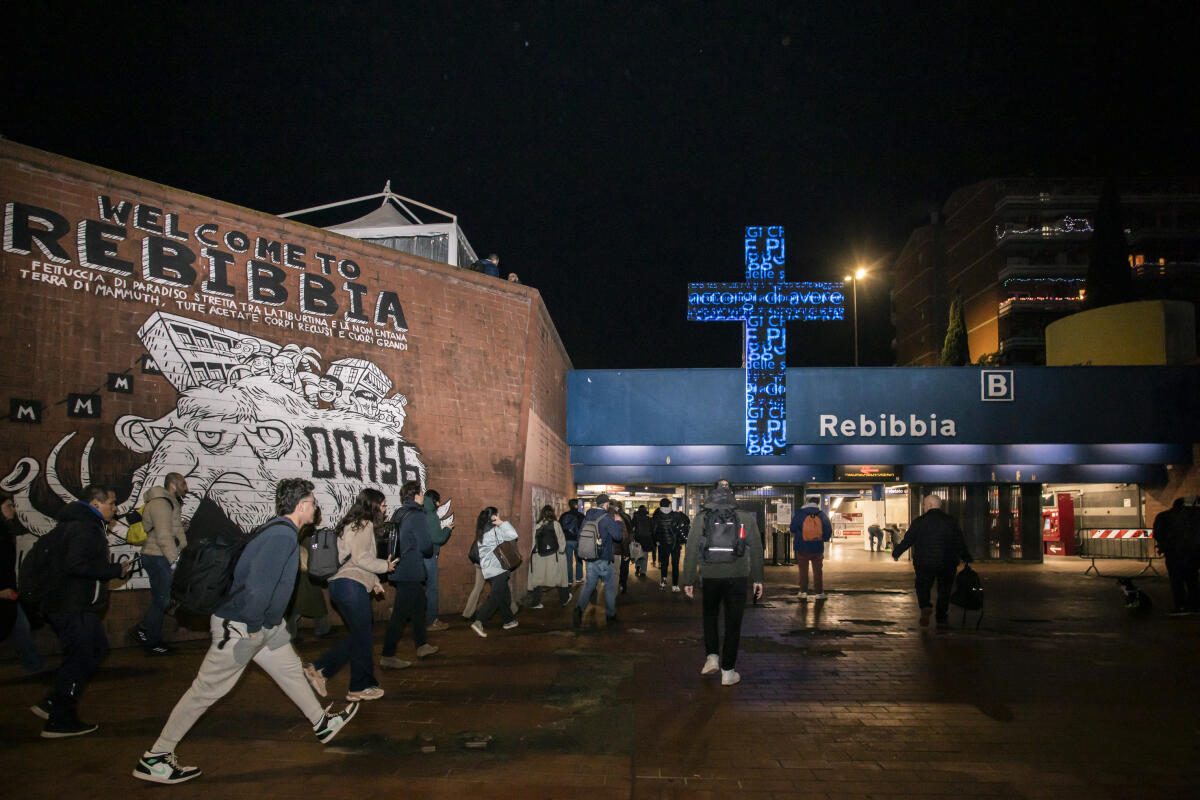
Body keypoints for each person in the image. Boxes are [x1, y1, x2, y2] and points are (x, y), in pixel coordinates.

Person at [133, 479, 358, 784]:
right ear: (303, 505)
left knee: (290, 670)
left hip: (264, 626)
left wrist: (268, 625)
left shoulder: (279, 530)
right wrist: (253, 629)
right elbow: (256, 588)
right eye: (314, 502)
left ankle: (321, 723)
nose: (316, 508)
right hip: (243, 626)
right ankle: (156, 757)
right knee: (205, 691)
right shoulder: (280, 536)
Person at [30, 486, 128, 737]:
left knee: (95, 649)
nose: (115, 508)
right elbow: (76, 565)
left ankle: (54, 701)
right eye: (112, 503)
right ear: (96, 503)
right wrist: (114, 571)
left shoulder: (76, 524)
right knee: (82, 656)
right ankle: (60, 720)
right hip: (72, 605)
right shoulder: (85, 528)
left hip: (69, 604)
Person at [305, 489, 396, 700]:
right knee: (362, 636)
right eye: (382, 505)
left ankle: (349, 682)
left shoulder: (352, 524)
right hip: (350, 586)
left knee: (360, 635)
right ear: (372, 506)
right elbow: (361, 558)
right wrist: (385, 565)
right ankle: (342, 678)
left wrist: (373, 582)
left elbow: (353, 560)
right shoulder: (364, 525)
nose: (384, 509)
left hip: (342, 585)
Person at [681, 480, 764, 687]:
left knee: (710, 616)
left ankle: (712, 657)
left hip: (709, 576)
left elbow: (691, 549)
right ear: (733, 497)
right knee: (733, 623)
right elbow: (756, 549)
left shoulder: (702, 518)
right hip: (737, 576)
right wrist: (758, 579)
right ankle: (728, 671)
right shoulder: (744, 517)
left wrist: (688, 579)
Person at [892, 494, 973, 631]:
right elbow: (959, 542)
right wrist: (966, 557)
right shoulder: (951, 521)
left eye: (924, 504)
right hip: (947, 562)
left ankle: (925, 606)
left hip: (924, 562)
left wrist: (897, 552)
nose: (924, 507)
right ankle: (941, 618)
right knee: (944, 591)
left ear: (929, 505)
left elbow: (908, 540)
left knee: (922, 586)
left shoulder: (919, 521)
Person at [380, 481, 438, 665]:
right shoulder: (417, 516)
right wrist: (429, 548)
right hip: (411, 571)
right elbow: (427, 546)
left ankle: (422, 645)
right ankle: (387, 655)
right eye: (422, 493)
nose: (423, 497)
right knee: (399, 614)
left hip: (399, 567)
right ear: (416, 496)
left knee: (420, 605)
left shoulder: (400, 513)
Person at [134, 472, 189, 655]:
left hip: (161, 555)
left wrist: (184, 548)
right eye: (182, 483)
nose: (185, 487)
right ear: (173, 484)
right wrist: (173, 561)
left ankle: (147, 630)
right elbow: (164, 535)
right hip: (157, 556)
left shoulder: (170, 502)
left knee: (163, 598)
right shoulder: (160, 504)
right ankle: (151, 638)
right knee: (163, 599)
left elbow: (176, 529)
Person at [1, 491, 45, 675]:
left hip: (8, 590)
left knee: (20, 626)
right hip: (3, 591)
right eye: (8, 506)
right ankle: (33, 663)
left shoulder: (5, 531)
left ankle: (33, 663)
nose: (13, 510)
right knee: (18, 626)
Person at [572, 494, 623, 628]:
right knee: (610, 587)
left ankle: (578, 610)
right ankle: (611, 615)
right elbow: (618, 536)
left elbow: (579, 536)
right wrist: (618, 522)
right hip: (604, 559)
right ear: (606, 504)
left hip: (589, 558)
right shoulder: (608, 518)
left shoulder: (587, 517)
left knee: (589, 586)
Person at [470, 507, 520, 637]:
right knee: (495, 597)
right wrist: (502, 523)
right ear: (494, 516)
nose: (500, 515)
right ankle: (479, 621)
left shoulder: (481, 532)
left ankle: (509, 621)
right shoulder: (495, 531)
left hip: (488, 570)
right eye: (498, 514)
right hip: (498, 569)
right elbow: (513, 535)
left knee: (504, 595)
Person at [286, 512, 332, 643]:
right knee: (301, 606)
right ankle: (294, 634)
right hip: (307, 573)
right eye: (320, 516)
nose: (322, 518)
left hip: (301, 573)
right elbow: (313, 553)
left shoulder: (302, 531)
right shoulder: (312, 535)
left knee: (303, 604)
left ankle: (321, 629)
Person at [1153, 496, 1200, 614]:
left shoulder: (1164, 516)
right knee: (1192, 580)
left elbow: (1158, 534)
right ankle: (1195, 606)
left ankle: (1181, 606)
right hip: (1192, 554)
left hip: (1173, 554)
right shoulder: (1195, 517)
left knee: (1176, 581)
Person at [790, 496, 833, 600]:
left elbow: (792, 528)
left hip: (802, 547)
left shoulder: (800, 513)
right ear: (817, 503)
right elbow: (828, 530)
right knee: (818, 571)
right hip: (817, 547)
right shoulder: (822, 515)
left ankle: (803, 592)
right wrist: (823, 539)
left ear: (807, 502)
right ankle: (819, 593)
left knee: (803, 570)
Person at [528, 505, 570, 608]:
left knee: (538, 579)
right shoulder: (556, 524)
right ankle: (564, 599)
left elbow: (534, 543)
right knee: (561, 577)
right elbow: (561, 541)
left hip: (540, 557)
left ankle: (536, 602)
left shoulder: (538, 525)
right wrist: (561, 552)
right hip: (555, 557)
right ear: (552, 513)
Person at [422, 489, 452, 631]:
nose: (439, 504)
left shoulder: (419, 510)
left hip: (417, 556)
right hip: (429, 556)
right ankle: (432, 621)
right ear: (434, 500)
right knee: (432, 589)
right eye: (438, 501)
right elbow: (438, 538)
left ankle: (401, 609)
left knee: (419, 587)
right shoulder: (431, 514)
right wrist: (447, 529)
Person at [652, 498, 681, 592]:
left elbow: (654, 530)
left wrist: (656, 540)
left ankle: (663, 581)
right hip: (675, 543)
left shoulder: (657, 516)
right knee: (675, 564)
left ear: (660, 505)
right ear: (669, 505)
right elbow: (681, 526)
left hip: (663, 543)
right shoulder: (676, 515)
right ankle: (675, 585)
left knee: (664, 563)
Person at [559, 498, 585, 585]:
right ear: (576, 505)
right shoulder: (581, 516)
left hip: (567, 541)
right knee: (579, 560)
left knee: (568, 561)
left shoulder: (563, 515)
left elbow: (560, 528)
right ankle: (578, 578)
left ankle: (569, 580)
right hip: (578, 541)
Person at [614, 501, 633, 593]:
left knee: (615, 569)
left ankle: (615, 586)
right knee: (624, 567)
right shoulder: (627, 517)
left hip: (615, 548)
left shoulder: (612, 517)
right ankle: (623, 585)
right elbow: (630, 533)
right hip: (625, 546)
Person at [632, 505, 654, 577]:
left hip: (638, 538)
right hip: (647, 539)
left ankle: (638, 566)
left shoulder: (635, 518)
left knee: (637, 552)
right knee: (645, 555)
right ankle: (643, 571)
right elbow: (652, 529)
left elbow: (631, 527)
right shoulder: (649, 519)